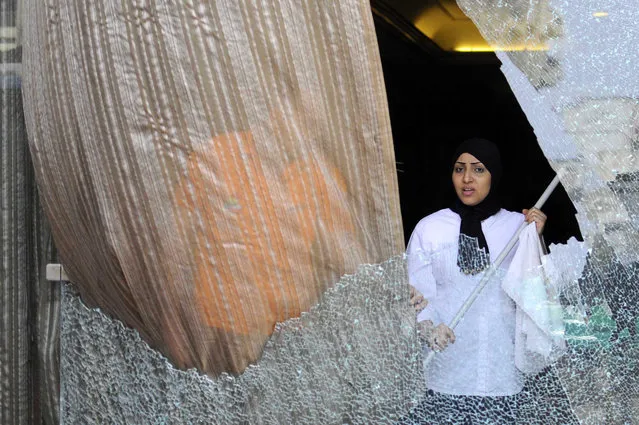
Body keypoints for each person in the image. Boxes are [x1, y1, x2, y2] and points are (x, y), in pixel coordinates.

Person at [404, 138, 548, 424]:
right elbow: (414, 293)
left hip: (500, 375)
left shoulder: (518, 227)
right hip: (444, 375)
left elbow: (536, 292)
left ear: (494, 175)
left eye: (479, 170)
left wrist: (537, 238)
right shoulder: (430, 228)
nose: (467, 178)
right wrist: (428, 329)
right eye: (459, 169)